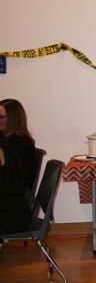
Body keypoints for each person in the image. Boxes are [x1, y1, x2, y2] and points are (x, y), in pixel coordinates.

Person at [0, 99, 36, 233]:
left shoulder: (18, 144)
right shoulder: (7, 141)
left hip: (13, 211)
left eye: (1, 117)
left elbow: (14, 184)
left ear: (13, 119)